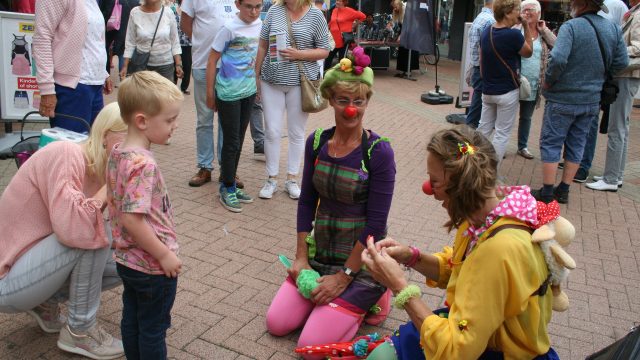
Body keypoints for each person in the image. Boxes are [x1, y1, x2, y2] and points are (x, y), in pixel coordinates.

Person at [361, 127, 559, 360]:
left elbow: (457, 350)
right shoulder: (490, 218)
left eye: (434, 181)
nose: (429, 190)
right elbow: (462, 270)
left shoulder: (499, 248)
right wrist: (410, 257)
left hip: (496, 352)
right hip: (476, 333)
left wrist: (399, 287)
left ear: (460, 186)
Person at [265, 49, 395, 358]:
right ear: (329, 100)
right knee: (276, 324)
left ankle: (377, 293)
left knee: (309, 348)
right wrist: (301, 258)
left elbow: (375, 225)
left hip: (359, 262)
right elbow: (307, 201)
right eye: (343, 101)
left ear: (367, 101)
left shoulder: (379, 152)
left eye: (359, 101)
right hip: (321, 252)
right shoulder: (317, 141)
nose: (351, 110)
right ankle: (330, 304)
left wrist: (343, 278)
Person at [0, 102, 126, 359]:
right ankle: (80, 332)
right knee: (92, 231)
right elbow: (77, 227)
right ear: (105, 136)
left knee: (131, 261)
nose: (138, 148)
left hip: (28, 270)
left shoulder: (99, 168)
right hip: (6, 280)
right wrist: (109, 188)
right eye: (130, 137)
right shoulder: (67, 153)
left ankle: (45, 303)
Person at [107, 71, 183, 359]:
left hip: (127, 260)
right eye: (169, 120)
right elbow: (131, 218)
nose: (175, 126)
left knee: (133, 319)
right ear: (141, 121)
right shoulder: (143, 164)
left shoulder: (117, 152)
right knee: (153, 327)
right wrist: (164, 254)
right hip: (151, 265)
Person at [532, 0, 627, 204]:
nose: (571, 5)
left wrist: (548, 82)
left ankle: (547, 191)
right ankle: (564, 190)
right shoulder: (612, 28)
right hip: (591, 99)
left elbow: (558, 59)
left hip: (562, 97)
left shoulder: (571, 27)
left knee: (551, 142)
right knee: (577, 144)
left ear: (582, 4)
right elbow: (622, 63)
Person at [255, 0, 330, 200]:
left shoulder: (316, 15)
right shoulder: (274, 10)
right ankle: (271, 179)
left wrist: (299, 54)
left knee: (296, 132)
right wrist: (256, 75)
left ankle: (292, 179)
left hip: (300, 82)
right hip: (271, 80)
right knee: (271, 131)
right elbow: (262, 44)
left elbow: (324, 49)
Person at [205, 0, 263, 212]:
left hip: (247, 92)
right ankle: (227, 187)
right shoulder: (228, 28)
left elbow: (257, 57)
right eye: (249, 6)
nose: (254, 11)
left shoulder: (260, 25)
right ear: (238, 4)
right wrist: (210, 94)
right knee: (231, 141)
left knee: (238, 141)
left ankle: (229, 182)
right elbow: (212, 60)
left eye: (258, 6)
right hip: (228, 93)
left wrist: (256, 85)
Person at [33, 0, 113, 133]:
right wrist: (46, 89)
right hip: (72, 88)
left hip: (94, 85)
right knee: (70, 148)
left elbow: (93, 39)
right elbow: (42, 38)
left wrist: (103, 73)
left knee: (92, 145)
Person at [586, 0, 640, 191]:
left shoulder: (638, 14)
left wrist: (615, 51)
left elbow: (638, 48)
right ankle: (614, 174)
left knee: (617, 127)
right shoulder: (635, 11)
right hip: (625, 76)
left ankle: (611, 178)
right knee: (620, 127)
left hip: (626, 75)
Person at [181, 0, 235, 188]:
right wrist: (202, 41)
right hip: (203, 63)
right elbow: (185, 23)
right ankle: (205, 166)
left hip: (231, 65)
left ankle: (227, 169)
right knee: (204, 118)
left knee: (227, 120)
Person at [574, 0, 628, 182]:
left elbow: (623, 58)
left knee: (591, 125)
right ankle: (577, 163)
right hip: (593, 82)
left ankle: (585, 167)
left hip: (594, 83)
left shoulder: (620, 8)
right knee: (584, 125)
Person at [477, 0, 533, 165]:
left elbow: (481, 64)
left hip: (488, 91)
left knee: (483, 130)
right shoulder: (514, 35)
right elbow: (528, 52)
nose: (520, 14)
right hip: (507, 92)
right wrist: (526, 26)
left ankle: (472, 165)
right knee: (501, 134)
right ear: (508, 12)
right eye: (517, 10)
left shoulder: (486, 32)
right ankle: (491, 172)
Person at [516, 0, 556, 160]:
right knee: (507, 115)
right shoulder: (516, 30)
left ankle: (522, 146)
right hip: (515, 80)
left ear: (538, 13)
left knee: (526, 117)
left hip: (533, 84)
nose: (526, 12)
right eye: (524, 9)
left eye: (530, 9)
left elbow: (557, 45)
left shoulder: (542, 35)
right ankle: (501, 145)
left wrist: (544, 29)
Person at [120, 0, 183, 81]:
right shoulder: (135, 13)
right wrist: (125, 66)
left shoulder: (168, 12)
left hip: (165, 67)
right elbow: (130, 42)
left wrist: (178, 64)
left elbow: (175, 41)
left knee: (165, 93)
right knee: (142, 93)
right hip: (142, 67)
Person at [465, 0, 495, 129]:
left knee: (476, 109)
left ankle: (466, 143)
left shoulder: (479, 18)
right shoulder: (490, 21)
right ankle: (465, 145)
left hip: (478, 69)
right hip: (484, 70)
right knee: (477, 112)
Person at [323, 0, 365, 70]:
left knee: (342, 62)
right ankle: (325, 76)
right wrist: (327, 27)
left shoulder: (350, 11)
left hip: (344, 40)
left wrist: (355, 25)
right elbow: (332, 22)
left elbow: (363, 16)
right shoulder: (334, 10)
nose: (337, 2)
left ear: (344, 2)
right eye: (336, 0)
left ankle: (341, 79)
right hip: (333, 40)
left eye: (339, 1)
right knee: (327, 59)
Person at [168, 0, 193, 93]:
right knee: (174, 65)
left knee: (187, 65)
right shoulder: (173, 8)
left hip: (187, 43)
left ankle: (184, 87)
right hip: (174, 43)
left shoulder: (191, 10)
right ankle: (172, 86)